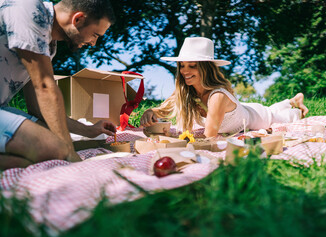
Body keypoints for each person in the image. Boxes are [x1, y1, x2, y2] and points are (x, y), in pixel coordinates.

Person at [0, 0, 117, 170]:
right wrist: (69, 154)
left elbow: (38, 108)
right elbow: (45, 87)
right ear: (78, 19)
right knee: (54, 149)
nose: (93, 43)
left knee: (49, 147)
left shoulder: (48, 44)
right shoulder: (29, 9)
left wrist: (88, 130)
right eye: (95, 35)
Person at [140, 37, 309, 138]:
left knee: (281, 116)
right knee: (272, 108)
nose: (185, 71)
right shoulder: (187, 92)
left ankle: (297, 107)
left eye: (192, 66)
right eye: (182, 65)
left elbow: (209, 137)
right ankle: (292, 100)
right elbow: (162, 110)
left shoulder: (217, 97)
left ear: (206, 69)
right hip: (246, 109)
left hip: (258, 117)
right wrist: (149, 113)